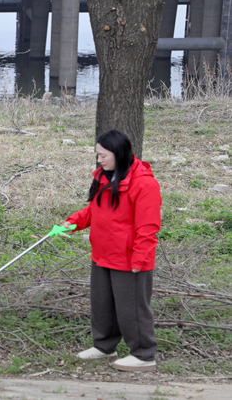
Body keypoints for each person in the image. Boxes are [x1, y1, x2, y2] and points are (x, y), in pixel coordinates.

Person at [63, 129, 162, 372]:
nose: (99, 160)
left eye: (103, 155)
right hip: (102, 253)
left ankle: (144, 355)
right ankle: (105, 346)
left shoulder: (144, 184)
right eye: (97, 155)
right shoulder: (105, 177)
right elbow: (94, 210)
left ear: (118, 153)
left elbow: (148, 226)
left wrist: (140, 258)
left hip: (129, 259)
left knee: (132, 308)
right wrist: (72, 223)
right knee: (102, 304)